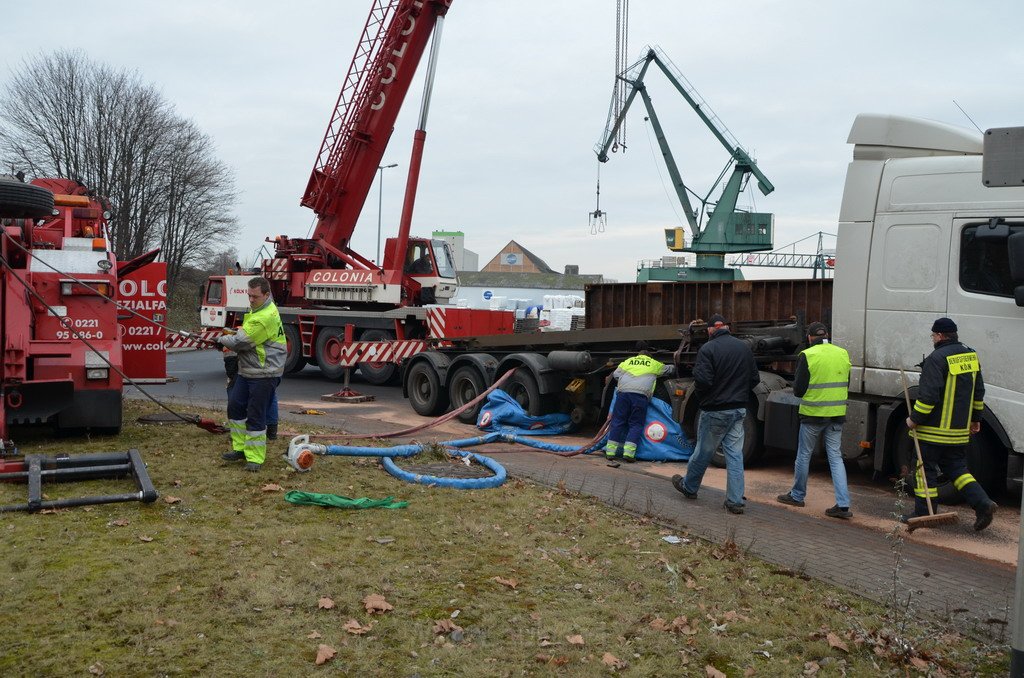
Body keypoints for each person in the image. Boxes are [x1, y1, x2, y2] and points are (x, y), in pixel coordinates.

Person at [903, 317, 997, 530]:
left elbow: (928, 397)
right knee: (957, 469)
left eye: (933, 335)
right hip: (958, 432)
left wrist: (913, 419)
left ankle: (924, 512)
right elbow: (979, 392)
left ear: (938, 336)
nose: (933, 339)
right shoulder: (970, 355)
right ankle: (983, 504)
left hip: (933, 432)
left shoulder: (936, 358)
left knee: (924, 470)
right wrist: (976, 419)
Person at [672, 314, 759, 514]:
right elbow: (754, 379)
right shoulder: (744, 348)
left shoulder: (708, 349)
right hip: (738, 410)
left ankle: (690, 487)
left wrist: (707, 399)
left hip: (716, 410)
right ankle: (735, 501)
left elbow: (702, 381)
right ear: (727, 328)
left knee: (703, 451)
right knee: (735, 456)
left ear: (711, 329)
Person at [776, 322, 853, 519]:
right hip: (836, 414)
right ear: (827, 335)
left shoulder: (808, 355)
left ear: (810, 338)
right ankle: (843, 505)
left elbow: (799, 390)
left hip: (813, 415)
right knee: (835, 458)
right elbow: (847, 383)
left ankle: (797, 495)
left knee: (804, 455)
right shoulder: (842, 353)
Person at [216, 277, 287, 472]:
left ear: (266, 294)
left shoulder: (265, 316)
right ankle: (240, 449)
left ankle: (255, 458)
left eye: (255, 296)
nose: (251, 299)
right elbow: (245, 334)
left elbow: (242, 342)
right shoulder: (258, 310)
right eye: (249, 295)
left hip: (264, 373)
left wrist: (222, 338)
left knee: (255, 415)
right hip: (249, 370)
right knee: (235, 407)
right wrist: (231, 335)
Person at [604, 342, 675, 463]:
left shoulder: (628, 361)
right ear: (649, 357)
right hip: (640, 396)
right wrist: (674, 365)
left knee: (618, 422)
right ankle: (629, 454)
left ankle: (610, 453)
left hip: (623, 395)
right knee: (636, 424)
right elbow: (668, 369)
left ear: (638, 355)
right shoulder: (653, 363)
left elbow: (616, 375)